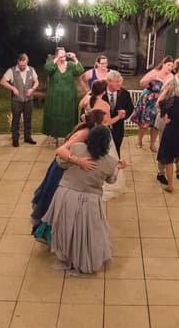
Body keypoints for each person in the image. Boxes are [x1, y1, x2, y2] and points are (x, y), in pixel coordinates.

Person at [39, 126, 121, 274]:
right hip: (90, 200)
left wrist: (76, 161)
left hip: (66, 195)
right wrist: (118, 168)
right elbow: (111, 180)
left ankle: (67, 256)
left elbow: (60, 162)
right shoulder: (111, 162)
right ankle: (83, 260)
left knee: (67, 228)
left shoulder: (77, 148)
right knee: (86, 233)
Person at [31, 110, 106, 240]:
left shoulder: (92, 132)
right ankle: (48, 236)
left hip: (67, 170)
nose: (107, 123)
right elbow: (60, 150)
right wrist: (79, 161)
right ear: (96, 123)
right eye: (104, 121)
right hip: (60, 170)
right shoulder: (85, 132)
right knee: (53, 203)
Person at [78, 79, 127, 202]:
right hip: (100, 134)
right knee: (105, 157)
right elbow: (107, 123)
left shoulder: (87, 99)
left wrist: (85, 116)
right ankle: (103, 180)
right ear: (103, 91)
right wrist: (119, 117)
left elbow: (80, 106)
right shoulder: (104, 105)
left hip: (88, 132)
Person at [155, 57, 179, 184]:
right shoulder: (170, 83)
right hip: (166, 120)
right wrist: (166, 116)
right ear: (178, 70)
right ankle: (160, 173)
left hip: (178, 122)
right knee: (164, 148)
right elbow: (159, 104)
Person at [131, 56, 173, 152]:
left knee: (156, 124)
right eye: (168, 65)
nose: (170, 67)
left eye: (172, 66)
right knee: (145, 123)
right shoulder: (154, 72)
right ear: (163, 64)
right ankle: (139, 140)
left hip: (160, 102)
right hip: (148, 100)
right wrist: (151, 79)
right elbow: (141, 83)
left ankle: (152, 144)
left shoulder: (171, 77)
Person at [43, 47, 84, 140]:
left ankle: (68, 136)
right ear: (56, 55)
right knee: (55, 114)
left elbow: (80, 70)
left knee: (68, 115)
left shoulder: (70, 65)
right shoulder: (53, 66)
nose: (63, 56)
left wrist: (74, 58)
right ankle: (54, 136)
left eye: (64, 54)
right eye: (60, 55)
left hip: (69, 97)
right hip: (55, 97)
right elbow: (47, 68)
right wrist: (56, 59)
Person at [0, 53, 39, 147]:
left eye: (24, 65)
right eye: (20, 65)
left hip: (29, 100)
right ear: (18, 62)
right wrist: (13, 88)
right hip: (16, 101)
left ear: (27, 62)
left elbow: (36, 81)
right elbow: (2, 81)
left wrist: (32, 89)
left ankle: (27, 137)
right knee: (15, 120)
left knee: (28, 119)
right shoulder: (11, 71)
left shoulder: (31, 70)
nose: (22, 67)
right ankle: (15, 139)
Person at [105, 70, 134, 158]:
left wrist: (125, 114)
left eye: (120, 81)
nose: (119, 84)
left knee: (116, 149)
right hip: (103, 129)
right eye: (117, 82)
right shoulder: (100, 92)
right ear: (109, 82)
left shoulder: (125, 93)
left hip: (118, 128)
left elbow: (130, 107)